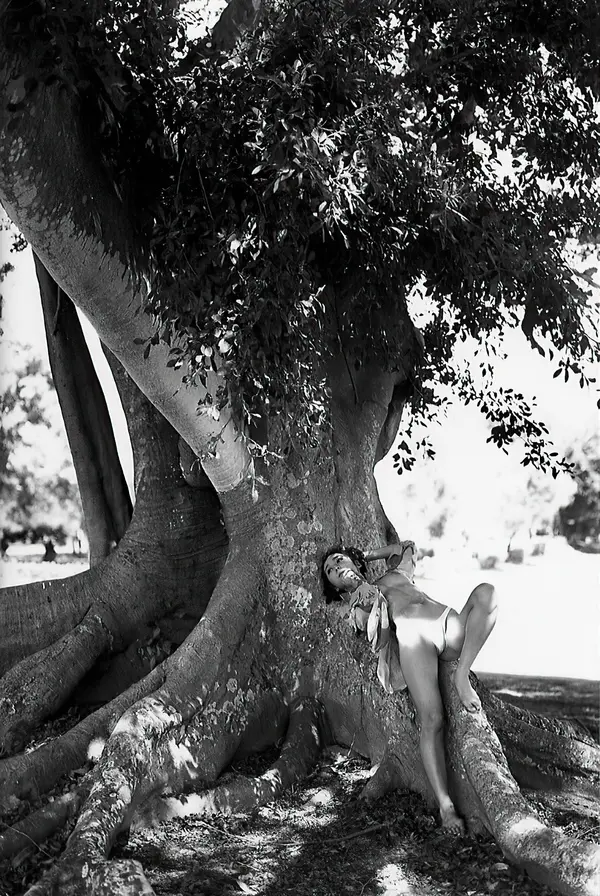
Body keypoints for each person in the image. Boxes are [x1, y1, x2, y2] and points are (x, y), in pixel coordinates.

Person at [322, 540, 498, 834]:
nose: (336, 567)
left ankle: (462, 674)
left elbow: (406, 548)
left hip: (446, 622)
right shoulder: (357, 604)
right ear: (336, 588)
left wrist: (364, 555)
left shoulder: (395, 575)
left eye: (339, 560)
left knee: (486, 593)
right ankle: (446, 807)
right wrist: (359, 594)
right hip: (415, 641)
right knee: (433, 720)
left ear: (353, 560)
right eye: (330, 570)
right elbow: (370, 623)